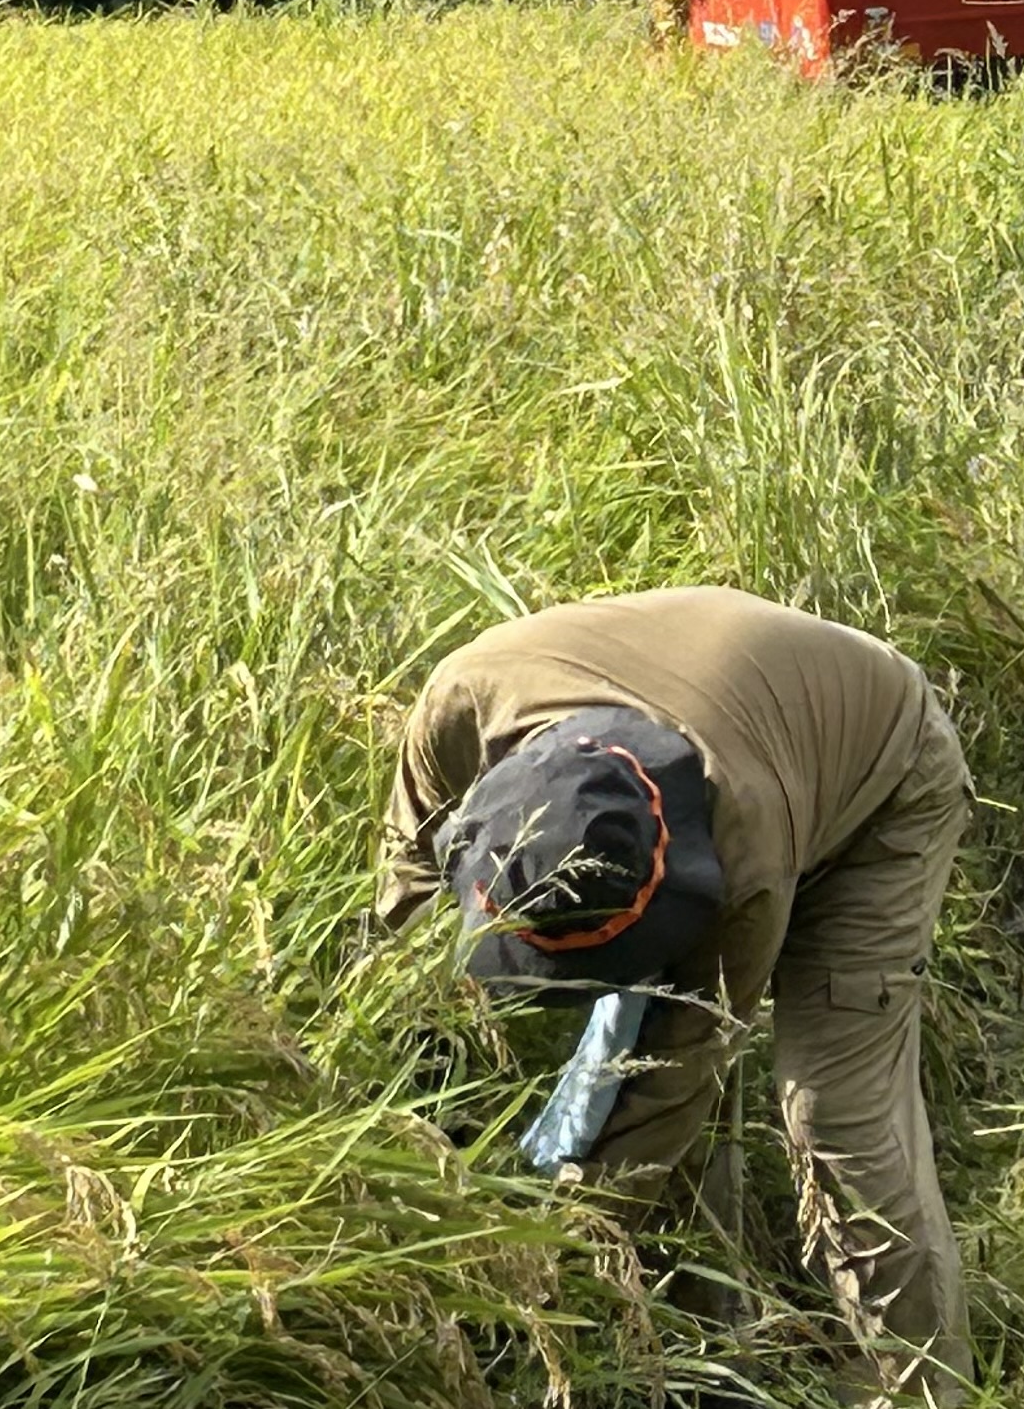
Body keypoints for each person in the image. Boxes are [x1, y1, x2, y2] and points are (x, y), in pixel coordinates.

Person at [378, 583, 974, 1402]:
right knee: (652, 1120)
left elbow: (666, 1087)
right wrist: (404, 1136)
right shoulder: (460, 708)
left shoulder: (743, 860)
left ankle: (914, 1386)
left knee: (836, 1111)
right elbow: (397, 925)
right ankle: (707, 1357)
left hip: (882, 770)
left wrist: (539, 1283)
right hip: (752, 716)